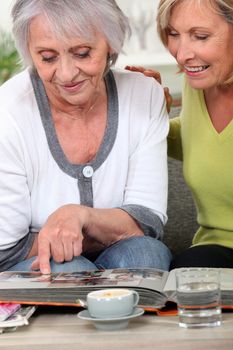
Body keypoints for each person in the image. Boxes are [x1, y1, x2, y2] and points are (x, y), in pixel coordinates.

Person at [0, 0, 172, 274]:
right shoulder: (7, 113)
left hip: (123, 252)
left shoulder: (143, 96)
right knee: (69, 271)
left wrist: (81, 216)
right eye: (47, 57)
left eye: (82, 53)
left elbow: (147, 221)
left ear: (111, 43)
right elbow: (5, 250)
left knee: (145, 255)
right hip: (30, 262)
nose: (66, 74)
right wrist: (65, 241)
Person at [128, 0, 233, 268]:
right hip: (218, 247)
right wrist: (153, 114)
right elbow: (199, 143)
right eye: (174, 34)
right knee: (184, 275)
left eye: (200, 36)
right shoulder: (198, 82)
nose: (182, 53)